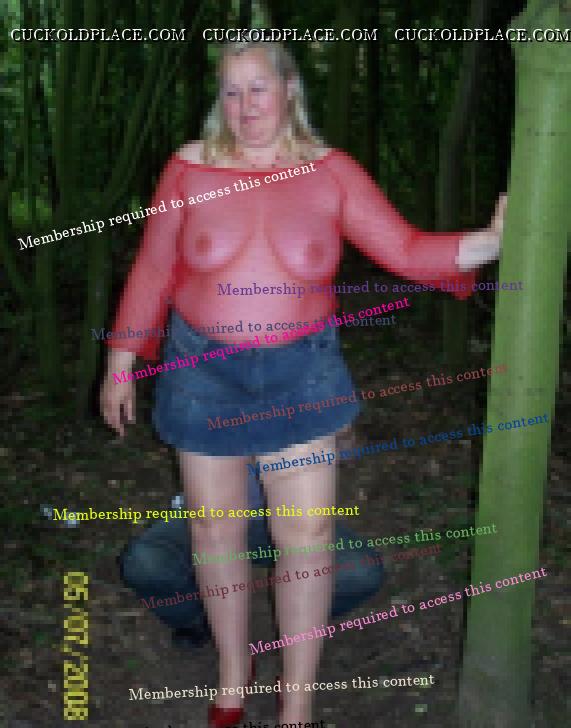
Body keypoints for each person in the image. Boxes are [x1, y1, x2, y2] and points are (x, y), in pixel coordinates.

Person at [100, 41, 505, 726]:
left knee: (308, 538)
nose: (245, 106)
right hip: (201, 372)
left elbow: (407, 250)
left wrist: (490, 241)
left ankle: (298, 702)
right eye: (231, 92)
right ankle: (233, 676)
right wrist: (120, 360)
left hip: (302, 374)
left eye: (258, 88)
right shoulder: (189, 168)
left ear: (289, 89)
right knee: (215, 532)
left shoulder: (331, 172)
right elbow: (153, 268)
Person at [118, 469, 385, 646]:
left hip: (294, 515)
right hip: (206, 516)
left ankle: (297, 621)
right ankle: (198, 620)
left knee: (359, 571)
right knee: (145, 562)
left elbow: (345, 444)